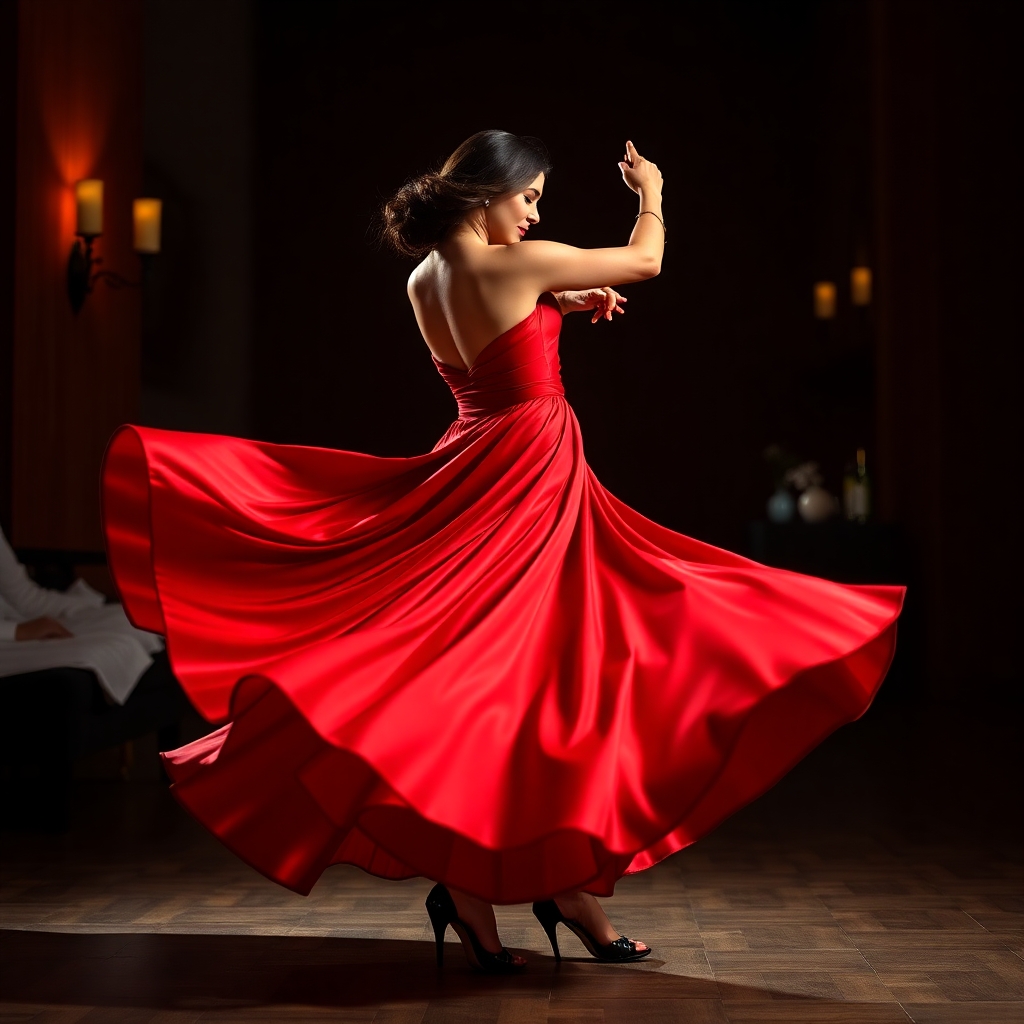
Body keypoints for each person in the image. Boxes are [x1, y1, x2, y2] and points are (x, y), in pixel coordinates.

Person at [101, 131, 904, 974]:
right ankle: (544, 891)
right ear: (488, 193)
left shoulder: (424, 278)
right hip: (524, 481)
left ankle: (509, 893)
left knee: (499, 684)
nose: (535, 215)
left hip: (477, 465)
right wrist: (652, 193)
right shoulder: (519, 266)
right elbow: (648, 261)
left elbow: (493, 354)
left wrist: (561, 304)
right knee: (539, 679)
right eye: (528, 198)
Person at [0, 525, 163, 704]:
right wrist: (16, 631)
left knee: (134, 621)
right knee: (93, 658)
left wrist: (96, 607)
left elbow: (26, 597)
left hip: (17, 622)